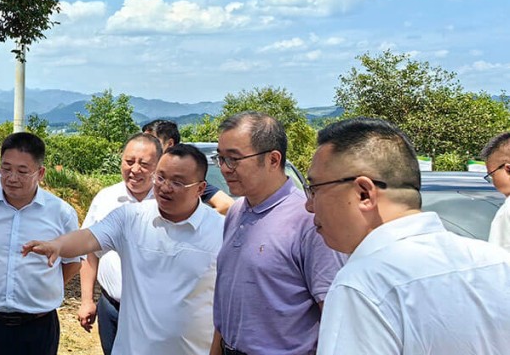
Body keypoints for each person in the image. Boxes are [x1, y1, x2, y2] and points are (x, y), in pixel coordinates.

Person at [306, 118, 510, 354]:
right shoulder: (497, 262)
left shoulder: (361, 286)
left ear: (364, 193)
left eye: (315, 189)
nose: (309, 206)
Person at [24, 144, 224, 355]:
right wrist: (58, 245)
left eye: (177, 182)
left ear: (200, 188)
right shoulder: (131, 218)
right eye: (161, 177)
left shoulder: (222, 231)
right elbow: (89, 237)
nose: (165, 187)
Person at [211, 112, 343, 355]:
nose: (224, 169)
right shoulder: (236, 210)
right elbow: (228, 298)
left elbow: (335, 319)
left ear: (273, 159)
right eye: (220, 158)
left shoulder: (309, 220)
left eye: (234, 159)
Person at [0, 132, 81, 355]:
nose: (12, 177)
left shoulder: (61, 213)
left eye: (22, 171)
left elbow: (73, 262)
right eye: (6, 169)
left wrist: (41, 288)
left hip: (37, 327)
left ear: (40, 173)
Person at [77, 133, 164, 355]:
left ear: (159, 166)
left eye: (144, 164)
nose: (135, 170)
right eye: (129, 161)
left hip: (157, 314)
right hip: (112, 308)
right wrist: (87, 300)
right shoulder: (106, 198)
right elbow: (90, 253)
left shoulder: (169, 201)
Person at [145, 119, 234, 215]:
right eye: (160, 178)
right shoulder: (139, 173)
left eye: (176, 183)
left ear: (170, 144)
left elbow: (226, 204)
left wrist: (189, 220)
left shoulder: (189, 181)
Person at [482, 132, 510, 251]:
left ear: (508, 168)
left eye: (492, 175)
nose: (493, 182)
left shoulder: (507, 210)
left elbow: (501, 262)